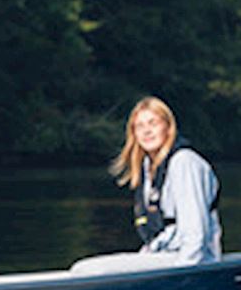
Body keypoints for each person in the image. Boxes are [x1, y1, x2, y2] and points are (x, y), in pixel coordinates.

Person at [72, 96, 222, 275]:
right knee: (82, 267)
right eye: (140, 126)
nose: (146, 131)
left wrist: (184, 274)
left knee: (87, 269)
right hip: (163, 254)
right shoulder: (148, 166)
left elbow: (196, 234)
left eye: (153, 123)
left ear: (168, 127)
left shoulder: (184, 162)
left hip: (192, 260)